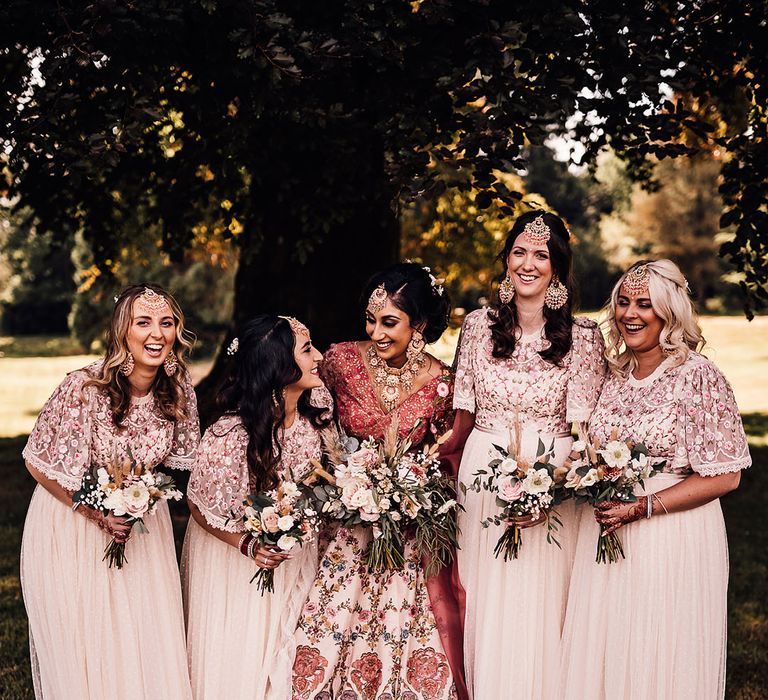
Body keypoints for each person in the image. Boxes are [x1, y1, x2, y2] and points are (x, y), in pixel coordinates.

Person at [559, 259, 750, 700]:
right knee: (610, 647)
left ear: (669, 312)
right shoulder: (614, 376)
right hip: (607, 531)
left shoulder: (697, 376)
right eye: (623, 302)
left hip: (670, 534)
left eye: (645, 304)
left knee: (659, 647)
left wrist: (642, 506)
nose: (630, 314)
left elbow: (726, 477)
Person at [449, 211, 606, 700]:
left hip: (552, 474)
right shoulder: (476, 326)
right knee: (484, 590)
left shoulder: (584, 338)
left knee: (540, 597)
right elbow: (461, 422)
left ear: (558, 267)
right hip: (481, 472)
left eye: (541, 254)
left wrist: (550, 488)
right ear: (506, 260)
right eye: (519, 252)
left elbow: (584, 435)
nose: (528, 263)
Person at [291, 263, 466, 700]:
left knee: (401, 636)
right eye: (370, 320)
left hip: (405, 535)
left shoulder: (443, 383)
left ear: (419, 325)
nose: (376, 333)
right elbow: (311, 424)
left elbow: (442, 458)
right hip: (345, 530)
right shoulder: (340, 362)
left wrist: (410, 490)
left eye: (389, 322)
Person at [20, 284, 200, 699]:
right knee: (88, 638)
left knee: (142, 632)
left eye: (167, 323)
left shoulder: (179, 387)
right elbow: (37, 463)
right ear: (123, 331)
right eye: (143, 323)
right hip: (70, 521)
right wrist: (97, 512)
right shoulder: (85, 387)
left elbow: (182, 463)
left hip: (141, 528)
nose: (156, 334)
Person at [183, 314, 332, 699]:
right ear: (279, 365)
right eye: (307, 349)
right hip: (241, 566)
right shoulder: (230, 435)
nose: (318, 356)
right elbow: (201, 507)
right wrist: (249, 544)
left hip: (298, 557)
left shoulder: (317, 410)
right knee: (248, 658)